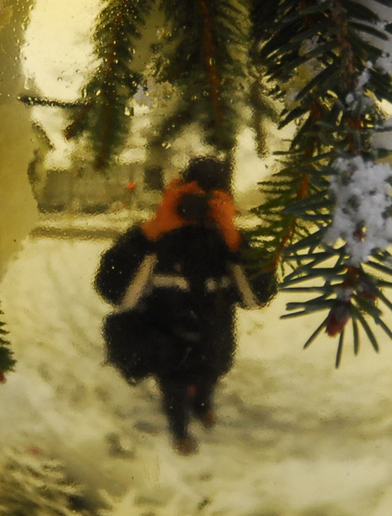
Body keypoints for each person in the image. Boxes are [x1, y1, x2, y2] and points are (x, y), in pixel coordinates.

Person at [94, 157, 277, 454]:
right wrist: (155, 228)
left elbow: (257, 297)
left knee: (207, 383)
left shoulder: (228, 244)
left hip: (212, 347)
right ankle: (179, 432)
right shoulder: (157, 238)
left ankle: (203, 406)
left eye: (212, 201)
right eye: (192, 199)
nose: (200, 209)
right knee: (174, 391)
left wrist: (233, 238)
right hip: (168, 347)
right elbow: (114, 291)